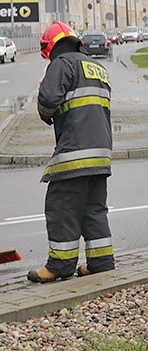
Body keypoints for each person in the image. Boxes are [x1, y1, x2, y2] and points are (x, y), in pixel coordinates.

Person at [27, 21, 115, 283]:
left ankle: (60, 266)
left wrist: (45, 92)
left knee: (61, 206)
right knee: (93, 209)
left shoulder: (61, 64)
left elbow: (48, 103)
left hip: (75, 151)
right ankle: (101, 262)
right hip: (101, 153)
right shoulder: (97, 68)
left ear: (51, 47)